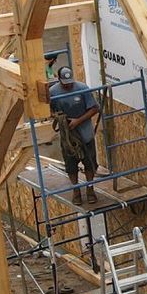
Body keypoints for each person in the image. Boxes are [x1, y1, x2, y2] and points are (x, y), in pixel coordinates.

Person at [48, 66, 100, 200]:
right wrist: (59, 118)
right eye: (65, 84)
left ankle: (90, 189)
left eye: (70, 82)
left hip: (85, 133)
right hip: (68, 136)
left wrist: (78, 121)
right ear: (59, 80)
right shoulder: (53, 92)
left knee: (89, 162)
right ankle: (76, 190)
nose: (68, 85)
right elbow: (49, 111)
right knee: (71, 165)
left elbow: (94, 109)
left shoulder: (82, 89)